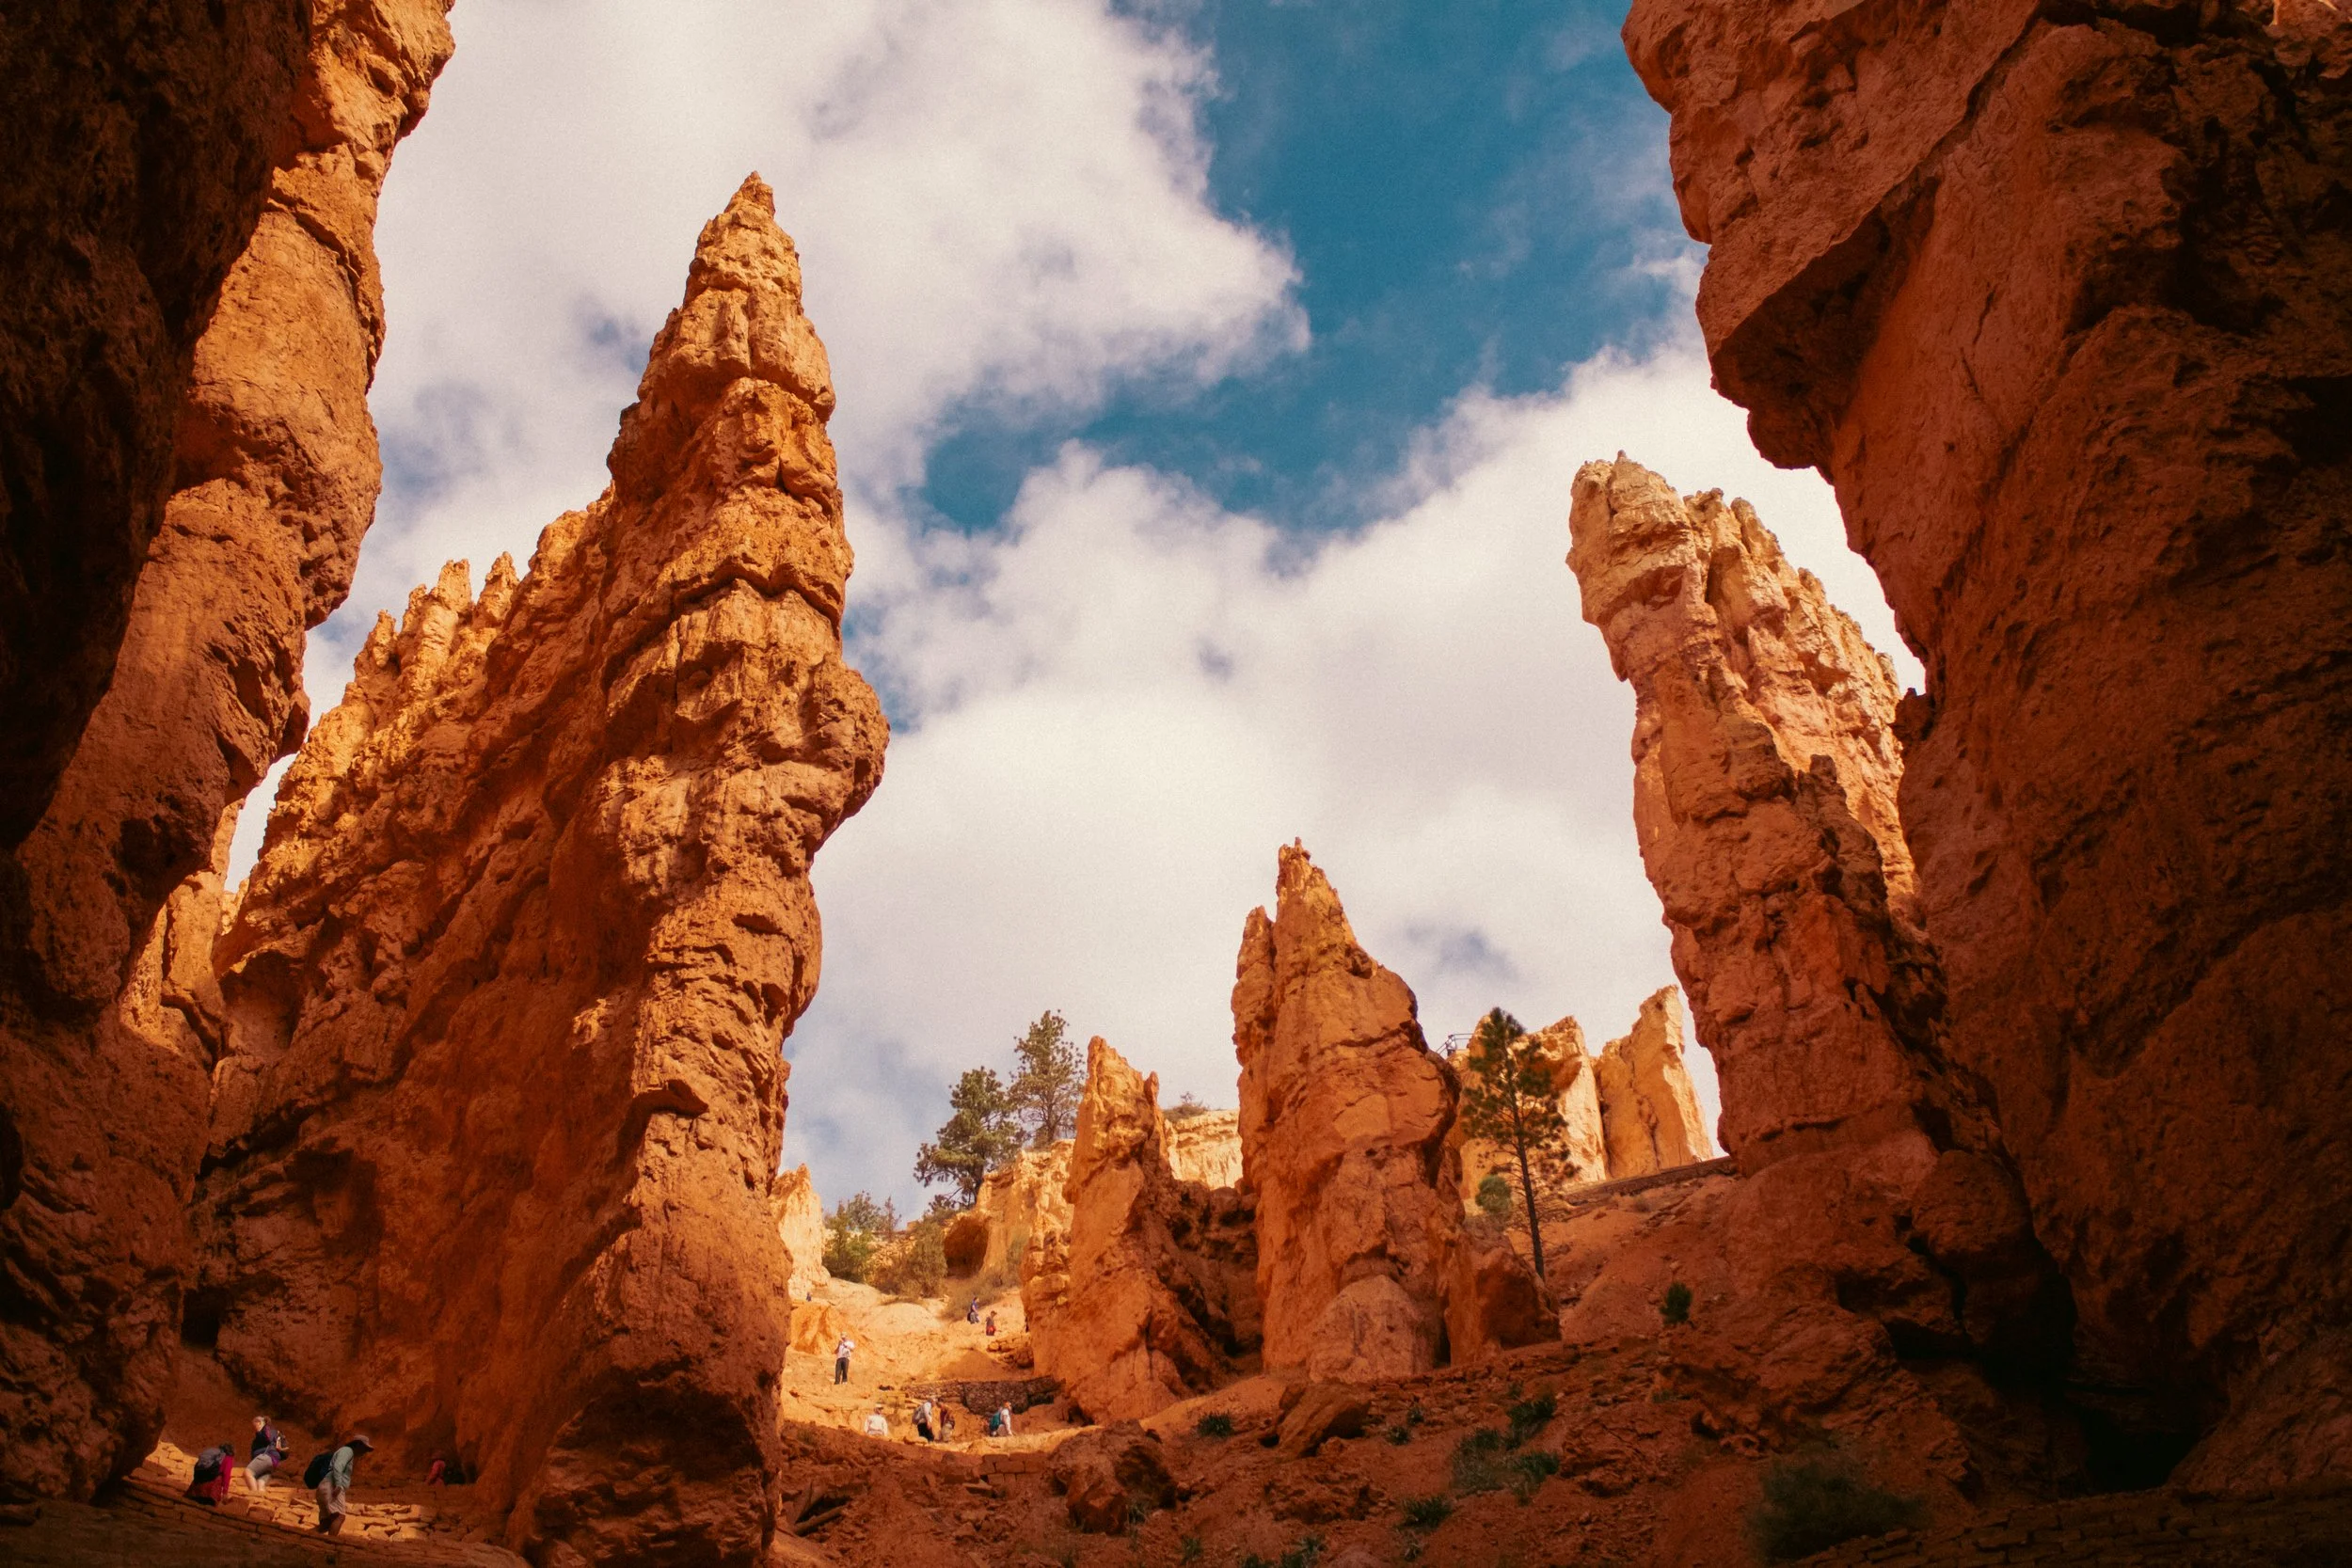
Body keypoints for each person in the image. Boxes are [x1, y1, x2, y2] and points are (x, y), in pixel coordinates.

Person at [314, 1434, 372, 1535]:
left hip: (325, 1486)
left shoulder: (346, 1452)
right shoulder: (347, 1451)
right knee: (339, 1517)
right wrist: (338, 1484)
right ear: (358, 1444)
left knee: (327, 1524)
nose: (365, 1452)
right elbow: (338, 1466)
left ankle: (300, 1537)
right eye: (365, 1448)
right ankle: (331, 1546)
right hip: (332, 1485)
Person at [246, 1415, 287, 1495]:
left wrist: (259, 1431)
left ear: (259, 1422)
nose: (254, 1427)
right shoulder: (269, 1433)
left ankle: (254, 1497)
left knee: (248, 1473)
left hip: (267, 1457)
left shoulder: (267, 1430)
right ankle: (261, 1501)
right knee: (260, 1484)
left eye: (255, 1425)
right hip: (272, 1462)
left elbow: (267, 1438)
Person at [186, 1441, 236, 1505]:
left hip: (197, 1484)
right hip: (211, 1488)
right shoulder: (229, 1459)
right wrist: (225, 1493)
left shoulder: (215, 1455)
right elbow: (226, 1475)